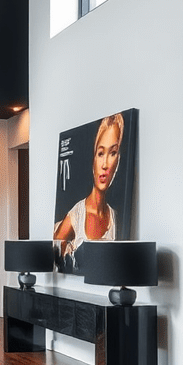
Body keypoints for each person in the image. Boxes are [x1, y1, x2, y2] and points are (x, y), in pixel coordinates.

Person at [53, 113, 123, 264]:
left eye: (112, 153)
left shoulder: (116, 219)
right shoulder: (77, 215)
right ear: (93, 160)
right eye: (100, 153)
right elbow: (54, 259)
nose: (105, 164)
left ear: (118, 160)